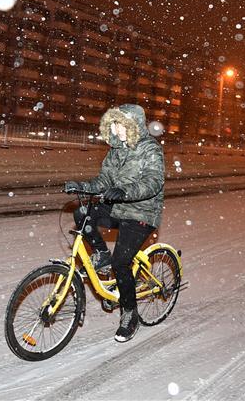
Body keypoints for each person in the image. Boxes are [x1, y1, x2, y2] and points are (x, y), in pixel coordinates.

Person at [64, 103, 165, 343]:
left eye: (120, 124)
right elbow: (103, 181)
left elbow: (153, 182)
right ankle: (101, 254)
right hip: (118, 207)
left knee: (121, 263)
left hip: (142, 212)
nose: (115, 128)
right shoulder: (115, 151)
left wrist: (125, 191)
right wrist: (82, 186)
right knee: (82, 213)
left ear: (132, 125)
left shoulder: (150, 149)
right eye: (114, 124)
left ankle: (129, 314)